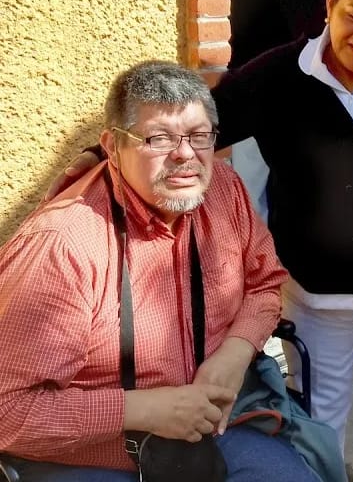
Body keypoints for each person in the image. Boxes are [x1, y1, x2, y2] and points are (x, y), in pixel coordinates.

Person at [42, 0, 353, 482]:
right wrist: (100, 156)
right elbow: (198, 128)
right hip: (317, 293)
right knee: (319, 417)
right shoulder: (279, 75)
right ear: (330, 5)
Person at [0, 61, 318, 481]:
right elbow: (8, 411)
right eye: (158, 138)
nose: (185, 154)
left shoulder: (225, 189)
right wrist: (147, 410)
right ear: (112, 146)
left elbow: (265, 282)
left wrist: (234, 353)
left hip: (216, 426)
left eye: (199, 135)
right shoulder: (62, 246)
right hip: (95, 456)